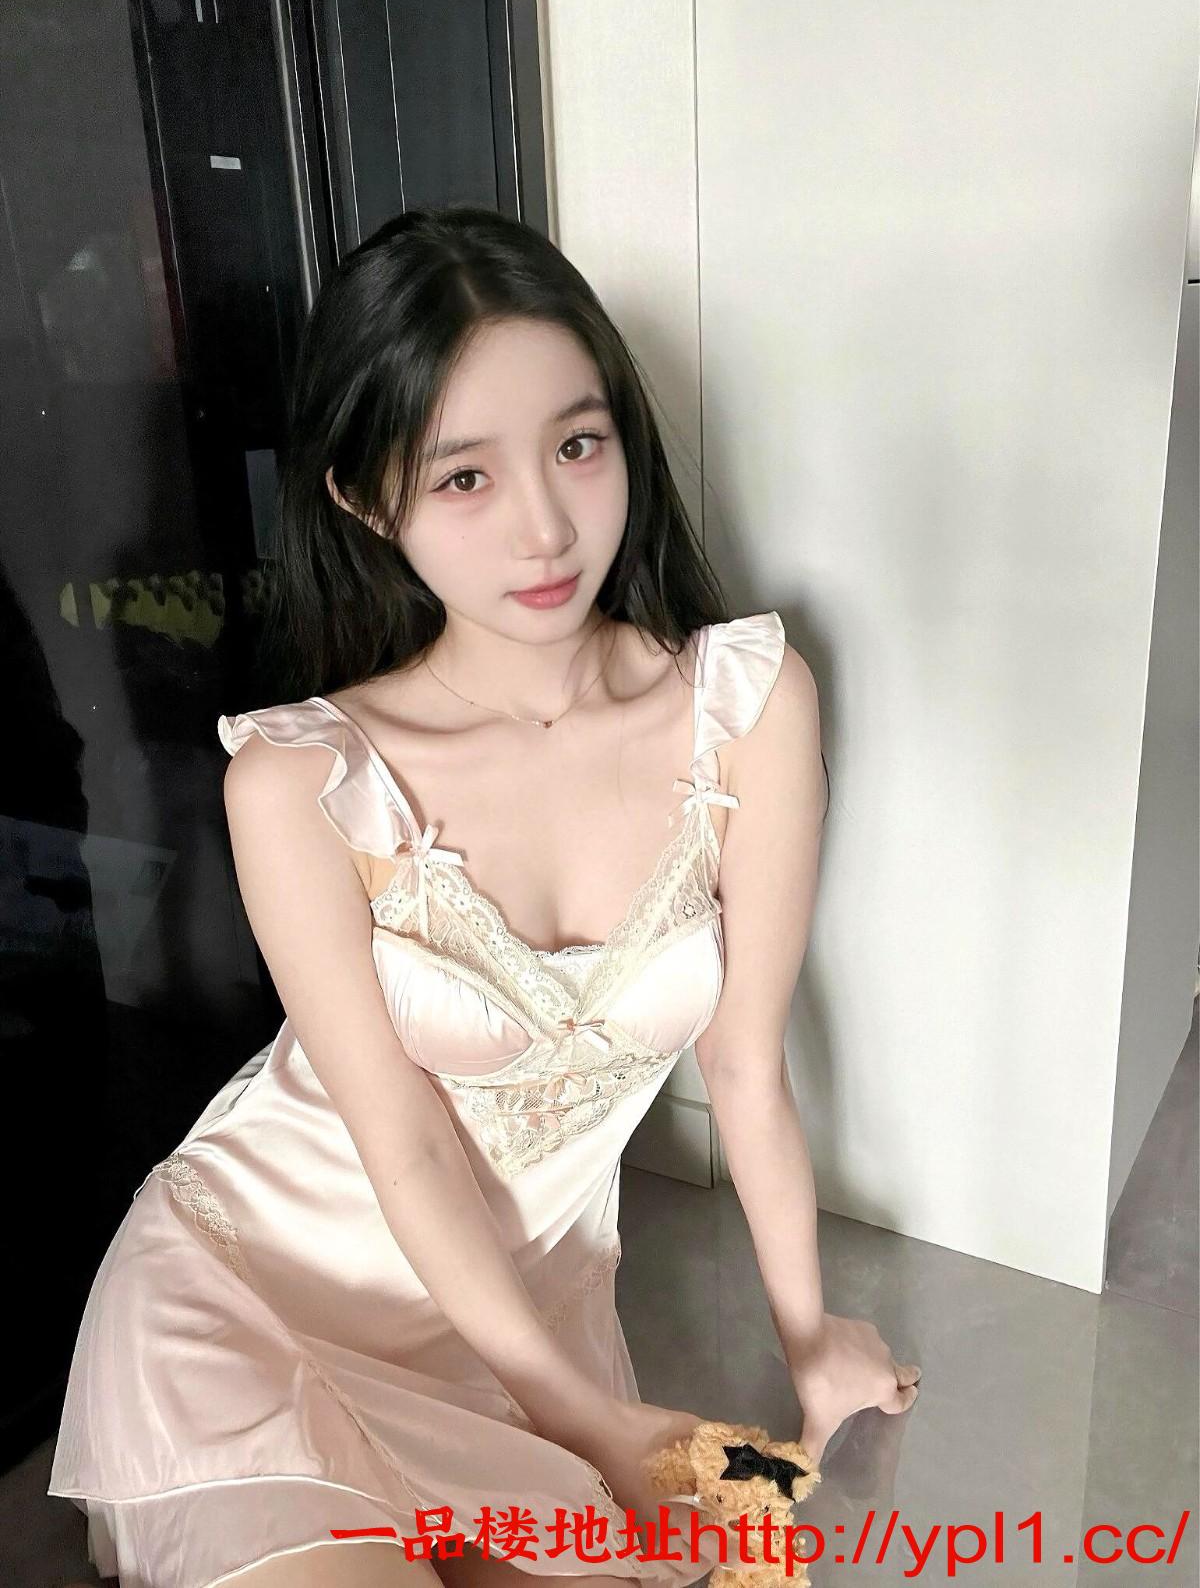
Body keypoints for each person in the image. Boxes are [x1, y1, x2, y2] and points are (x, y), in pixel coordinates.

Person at [48, 205, 918, 1588]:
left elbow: (746, 1066)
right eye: (463, 476)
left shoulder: (748, 706)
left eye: (578, 445)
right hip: (257, 1302)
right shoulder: (301, 781)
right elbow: (400, 1144)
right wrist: (591, 1425)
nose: (546, 526)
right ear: (361, 497)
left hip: (515, 1331)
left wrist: (810, 1336)